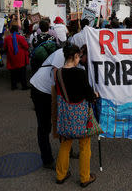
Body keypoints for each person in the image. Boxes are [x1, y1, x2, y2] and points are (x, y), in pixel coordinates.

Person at [52, 43, 97, 187]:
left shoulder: (58, 72)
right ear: (75, 56)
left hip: (65, 113)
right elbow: (88, 94)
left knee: (65, 144)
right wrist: (95, 94)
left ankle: (61, 174)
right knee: (84, 145)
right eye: (79, 56)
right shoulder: (80, 73)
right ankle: (85, 177)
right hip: (81, 114)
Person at [30, 47, 66, 169]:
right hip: (40, 89)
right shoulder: (61, 53)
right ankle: (47, 159)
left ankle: (67, 151)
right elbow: (57, 75)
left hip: (52, 90)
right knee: (44, 126)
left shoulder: (74, 56)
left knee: (62, 121)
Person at [4, 24, 29, 91]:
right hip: (20, 57)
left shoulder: (7, 38)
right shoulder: (21, 37)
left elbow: (5, 47)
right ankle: (24, 86)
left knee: (13, 73)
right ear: (17, 30)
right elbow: (26, 46)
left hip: (11, 57)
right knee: (22, 73)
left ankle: (14, 86)